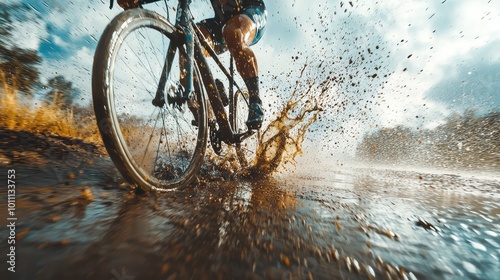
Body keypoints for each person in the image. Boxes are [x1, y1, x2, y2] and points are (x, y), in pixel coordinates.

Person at [117, 0, 267, 129]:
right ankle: (206, 106)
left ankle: (255, 101)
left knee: (232, 32)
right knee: (189, 40)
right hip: (221, 22)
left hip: (251, 13)